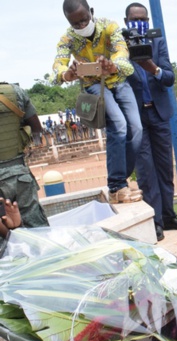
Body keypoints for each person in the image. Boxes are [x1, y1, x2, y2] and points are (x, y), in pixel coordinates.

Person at [53, 0, 143, 204]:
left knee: (136, 129)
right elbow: (58, 64)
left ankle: (121, 180)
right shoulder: (67, 39)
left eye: (85, 19)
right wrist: (67, 74)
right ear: (68, 21)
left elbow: (122, 53)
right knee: (119, 126)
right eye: (76, 24)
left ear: (91, 12)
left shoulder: (109, 27)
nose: (82, 25)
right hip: (94, 86)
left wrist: (113, 66)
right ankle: (116, 185)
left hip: (118, 81)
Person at [123, 2, 177, 242]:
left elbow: (169, 78)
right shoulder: (119, 47)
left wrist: (153, 69)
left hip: (160, 114)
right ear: (126, 22)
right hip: (137, 118)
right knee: (146, 172)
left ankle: (169, 216)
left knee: (164, 168)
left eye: (144, 19)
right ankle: (154, 222)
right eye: (135, 19)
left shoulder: (157, 43)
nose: (140, 23)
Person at [0, 82, 49, 229]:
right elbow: (37, 129)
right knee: (37, 228)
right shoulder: (15, 92)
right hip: (19, 175)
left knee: (4, 235)